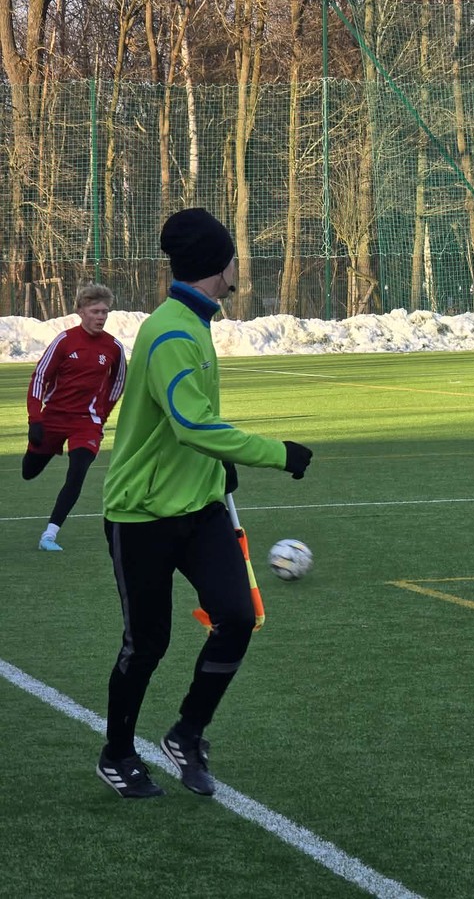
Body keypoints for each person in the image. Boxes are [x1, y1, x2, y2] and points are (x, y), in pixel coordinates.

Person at [96, 207, 314, 798]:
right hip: (142, 515)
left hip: (201, 508)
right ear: (220, 265)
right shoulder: (172, 331)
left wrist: (218, 467)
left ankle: (187, 733)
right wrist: (278, 453)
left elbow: (191, 422)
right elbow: (192, 425)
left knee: (237, 618)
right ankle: (117, 753)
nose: (238, 265)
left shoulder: (194, 322)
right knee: (147, 644)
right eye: (233, 257)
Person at [23, 283, 127, 551]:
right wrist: (35, 419)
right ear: (81, 311)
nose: (101, 317)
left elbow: (117, 385)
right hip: (53, 418)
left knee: (77, 472)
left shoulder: (114, 348)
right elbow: (39, 378)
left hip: (87, 423)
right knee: (28, 472)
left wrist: (100, 418)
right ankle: (40, 450)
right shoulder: (64, 341)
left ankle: (49, 535)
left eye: (105, 312)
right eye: (95, 311)